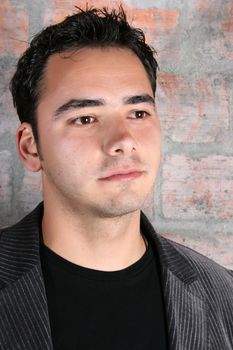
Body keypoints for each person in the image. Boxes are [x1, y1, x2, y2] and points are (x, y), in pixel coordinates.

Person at [1, 6, 233, 350]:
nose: (123, 140)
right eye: (85, 118)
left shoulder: (223, 296)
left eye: (138, 113)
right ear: (31, 147)